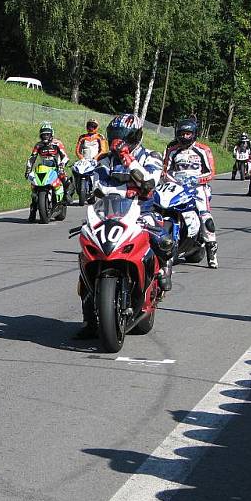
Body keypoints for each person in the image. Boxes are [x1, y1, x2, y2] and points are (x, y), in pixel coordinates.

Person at [75, 114, 174, 339]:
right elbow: (96, 185)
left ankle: (162, 273)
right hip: (110, 212)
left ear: (135, 136)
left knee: (162, 238)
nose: (117, 142)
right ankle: (90, 318)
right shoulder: (106, 160)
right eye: (114, 137)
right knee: (87, 250)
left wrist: (127, 158)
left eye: (122, 137)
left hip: (142, 211)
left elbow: (149, 181)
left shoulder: (151, 156)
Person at [163, 117, 218, 268]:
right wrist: (171, 180)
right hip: (177, 186)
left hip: (198, 188)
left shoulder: (203, 150)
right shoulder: (172, 151)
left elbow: (211, 172)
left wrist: (196, 181)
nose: (185, 137)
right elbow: (165, 171)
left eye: (188, 134)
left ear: (194, 134)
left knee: (205, 215)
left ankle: (211, 251)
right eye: (182, 134)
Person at [25, 121, 72, 221]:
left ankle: (66, 195)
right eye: (43, 135)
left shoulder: (57, 143)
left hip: (57, 167)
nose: (45, 136)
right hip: (43, 167)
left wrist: (62, 164)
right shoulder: (38, 145)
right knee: (34, 186)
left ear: (51, 134)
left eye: (47, 134)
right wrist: (28, 170)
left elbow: (65, 157)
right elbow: (32, 158)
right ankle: (33, 210)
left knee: (65, 179)